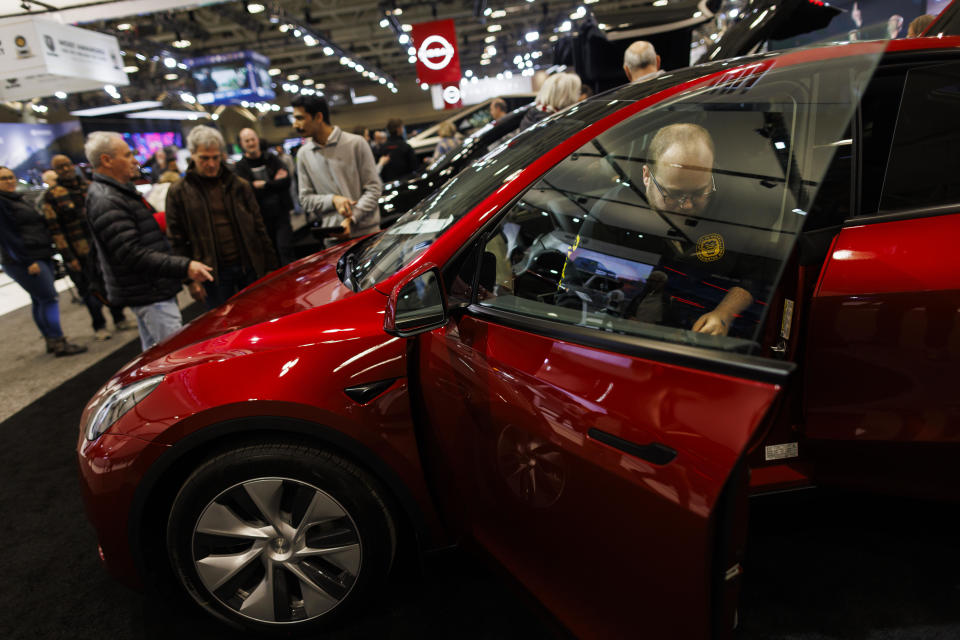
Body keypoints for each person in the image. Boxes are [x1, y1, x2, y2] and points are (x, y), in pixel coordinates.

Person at [84, 131, 213, 351]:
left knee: (156, 355)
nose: (134, 160)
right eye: (127, 155)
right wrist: (185, 267)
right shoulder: (108, 200)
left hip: (149, 290)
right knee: (176, 356)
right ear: (106, 160)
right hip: (148, 292)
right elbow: (131, 253)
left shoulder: (117, 193)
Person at [639, 123, 751, 335]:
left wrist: (725, 313)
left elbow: (756, 274)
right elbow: (576, 290)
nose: (687, 205)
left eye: (699, 192)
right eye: (672, 194)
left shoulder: (735, 210)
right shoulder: (610, 215)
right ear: (647, 176)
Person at [165, 125, 278, 310]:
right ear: (192, 154)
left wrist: (271, 266)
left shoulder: (239, 185)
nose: (211, 164)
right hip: (211, 275)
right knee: (224, 332)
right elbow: (176, 239)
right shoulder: (179, 192)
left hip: (248, 267)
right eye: (204, 158)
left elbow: (259, 227)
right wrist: (189, 281)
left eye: (215, 157)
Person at [43, 154, 132, 341]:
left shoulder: (88, 186)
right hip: (78, 253)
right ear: (55, 171)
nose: (66, 169)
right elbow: (55, 230)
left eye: (67, 165)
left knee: (110, 285)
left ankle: (119, 318)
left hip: (101, 249)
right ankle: (99, 325)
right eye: (60, 167)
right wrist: (69, 257)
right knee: (88, 291)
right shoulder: (53, 195)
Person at [0, 166, 87, 356]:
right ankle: (58, 341)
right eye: (4, 178)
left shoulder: (15, 199)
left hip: (37, 254)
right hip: (27, 259)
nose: (9, 181)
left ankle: (52, 340)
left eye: (11, 177)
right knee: (49, 298)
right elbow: (8, 237)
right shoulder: (3, 203)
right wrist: (26, 260)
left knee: (40, 299)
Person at [292, 95, 381, 244]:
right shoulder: (303, 154)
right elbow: (305, 199)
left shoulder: (356, 144)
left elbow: (374, 188)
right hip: (332, 238)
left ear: (318, 117)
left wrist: (352, 218)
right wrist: (332, 200)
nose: (295, 124)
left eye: (300, 118)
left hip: (367, 235)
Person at [233, 127, 295, 265]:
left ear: (258, 140)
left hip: (281, 215)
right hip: (259, 219)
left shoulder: (271, 158)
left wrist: (264, 185)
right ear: (242, 144)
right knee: (270, 255)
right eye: (246, 140)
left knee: (285, 249)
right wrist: (273, 183)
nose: (250, 143)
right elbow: (245, 190)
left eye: (253, 139)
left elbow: (286, 181)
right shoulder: (240, 167)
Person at [517, 72, 582, 131]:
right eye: (577, 91)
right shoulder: (553, 122)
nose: (579, 95)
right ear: (566, 95)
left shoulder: (536, 114)